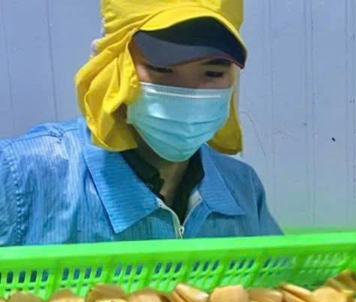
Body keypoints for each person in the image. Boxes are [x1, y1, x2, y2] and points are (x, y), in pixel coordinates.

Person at [0, 0, 280, 246]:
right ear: (115, 66)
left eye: (213, 73)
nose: (189, 93)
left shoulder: (242, 189)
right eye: (162, 69)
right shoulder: (23, 177)